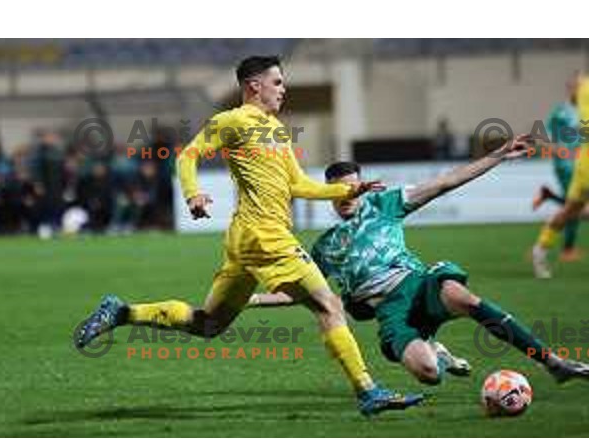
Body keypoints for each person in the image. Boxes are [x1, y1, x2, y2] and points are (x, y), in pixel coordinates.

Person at [74, 55, 423, 416]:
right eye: (277, 82)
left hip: (247, 241)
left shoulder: (277, 132)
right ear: (253, 86)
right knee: (329, 305)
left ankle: (122, 312)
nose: (283, 89)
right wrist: (193, 192)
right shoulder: (233, 121)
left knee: (209, 324)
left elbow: (298, 185)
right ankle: (368, 390)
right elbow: (187, 156)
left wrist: (346, 192)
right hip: (266, 236)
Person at [247, 148, 589, 386]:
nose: (349, 195)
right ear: (330, 193)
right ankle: (436, 353)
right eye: (341, 190)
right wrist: (252, 300)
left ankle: (551, 362)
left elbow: (445, 183)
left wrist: (497, 156)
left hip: (419, 284)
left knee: (461, 296)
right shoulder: (325, 246)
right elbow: (306, 293)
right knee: (429, 374)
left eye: (354, 187)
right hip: (390, 312)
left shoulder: (385, 204)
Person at [533, 76, 589, 278]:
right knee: (574, 209)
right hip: (571, 165)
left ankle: (541, 249)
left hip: (581, 163)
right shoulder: (562, 111)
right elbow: (544, 135)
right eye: (573, 86)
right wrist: (556, 150)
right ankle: (567, 249)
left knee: (571, 210)